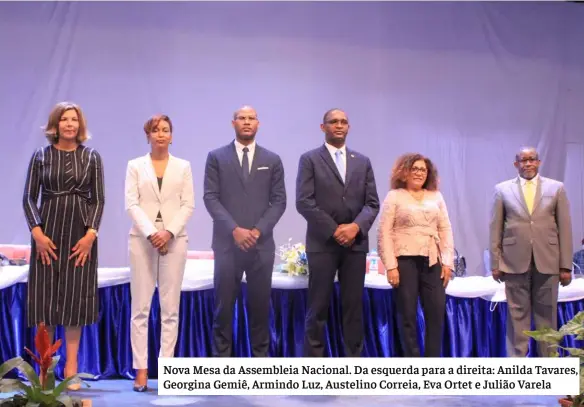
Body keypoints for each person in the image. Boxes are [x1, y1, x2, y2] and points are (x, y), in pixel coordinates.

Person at [22, 101, 105, 389]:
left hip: (80, 239)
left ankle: (71, 368)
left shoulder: (92, 157)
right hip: (47, 237)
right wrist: (38, 234)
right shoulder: (40, 156)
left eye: (74, 120)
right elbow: (29, 198)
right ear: (55, 125)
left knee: (74, 301)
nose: (69, 124)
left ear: (80, 126)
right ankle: (44, 368)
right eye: (64, 120)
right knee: (45, 301)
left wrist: (90, 236)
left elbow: (98, 199)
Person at [203, 105, 286, 357]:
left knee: (260, 308)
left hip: (261, 246)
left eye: (251, 118)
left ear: (258, 124)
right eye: (242, 118)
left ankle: (259, 365)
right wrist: (235, 230)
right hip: (227, 244)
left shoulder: (272, 160)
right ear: (233, 123)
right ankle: (222, 367)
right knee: (224, 309)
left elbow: (279, 201)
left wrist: (257, 231)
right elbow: (211, 198)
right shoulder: (216, 157)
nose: (247, 122)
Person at [296, 108, 379, 357]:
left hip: (355, 245)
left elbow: (372, 203)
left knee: (353, 308)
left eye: (343, 122)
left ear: (349, 127)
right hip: (322, 243)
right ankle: (315, 369)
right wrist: (335, 231)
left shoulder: (362, 161)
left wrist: (355, 227)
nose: (339, 126)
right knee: (318, 307)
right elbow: (304, 201)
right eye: (333, 122)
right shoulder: (309, 159)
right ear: (323, 127)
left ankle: (352, 366)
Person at [125, 114, 194, 391]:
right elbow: (131, 203)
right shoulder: (135, 166)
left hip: (174, 241)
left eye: (166, 130)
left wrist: (168, 233)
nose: (161, 134)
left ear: (172, 135)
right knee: (140, 309)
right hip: (142, 240)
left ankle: (168, 370)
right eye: (156, 130)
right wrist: (152, 233)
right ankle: (141, 369)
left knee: (170, 309)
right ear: (148, 136)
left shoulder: (183, 166)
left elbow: (188, 205)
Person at [489, 146, 572, 357]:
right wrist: (496, 263)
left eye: (532, 159)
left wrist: (565, 265)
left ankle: (549, 364)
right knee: (517, 315)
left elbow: (564, 227)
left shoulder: (556, 188)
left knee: (547, 315)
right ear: (516, 164)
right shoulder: (502, 189)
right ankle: (517, 366)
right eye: (523, 160)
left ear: (538, 162)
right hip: (514, 262)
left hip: (548, 261)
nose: (528, 164)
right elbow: (495, 228)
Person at [377, 153, 454, 357]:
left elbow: (445, 229)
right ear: (405, 172)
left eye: (423, 169)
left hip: (432, 260)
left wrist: (447, 263)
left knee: (436, 313)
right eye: (415, 169)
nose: (419, 173)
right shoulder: (394, 196)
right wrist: (390, 266)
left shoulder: (436, 196)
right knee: (407, 315)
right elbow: (384, 232)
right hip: (404, 261)